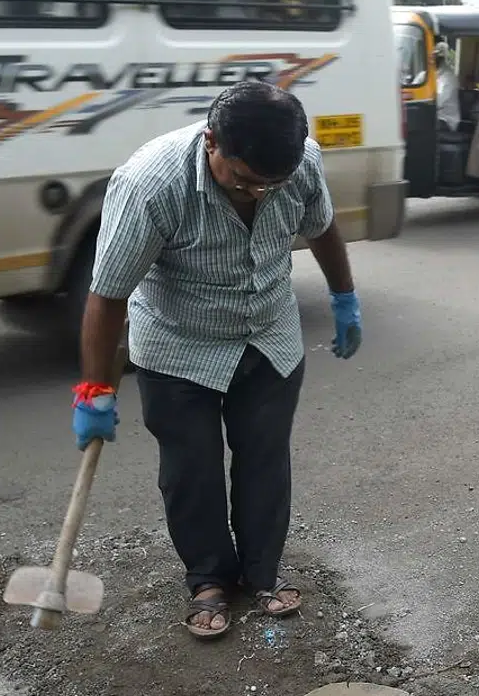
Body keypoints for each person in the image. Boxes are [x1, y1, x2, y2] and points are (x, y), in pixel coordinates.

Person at [74, 80, 363, 641]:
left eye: (269, 184)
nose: (257, 192)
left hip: (268, 334)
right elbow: (107, 296)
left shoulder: (298, 162)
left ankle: (261, 574)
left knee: (264, 459)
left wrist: (344, 297)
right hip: (179, 344)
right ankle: (207, 578)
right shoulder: (150, 185)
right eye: (244, 179)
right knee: (192, 470)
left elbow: (322, 227)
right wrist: (94, 389)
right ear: (212, 142)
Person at [434, 40, 460, 132]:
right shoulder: (427, 74)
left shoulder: (448, 77)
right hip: (433, 117)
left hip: (446, 120)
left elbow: (438, 101)